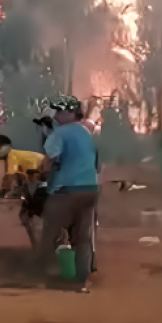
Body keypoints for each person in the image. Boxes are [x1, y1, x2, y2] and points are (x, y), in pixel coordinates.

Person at [38, 95, 101, 292]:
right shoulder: (86, 132)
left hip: (66, 190)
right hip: (90, 189)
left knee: (51, 231)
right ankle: (82, 280)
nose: (56, 115)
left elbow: (48, 161)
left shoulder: (61, 133)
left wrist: (42, 174)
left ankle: (44, 274)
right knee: (83, 236)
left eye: (59, 111)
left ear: (69, 113)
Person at [0, 134, 48, 250]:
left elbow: (8, 181)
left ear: (5, 147)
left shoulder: (11, 157)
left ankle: (40, 248)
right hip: (42, 179)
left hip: (42, 179)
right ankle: (40, 247)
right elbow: (19, 179)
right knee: (28, 215)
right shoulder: (16, 156)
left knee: (32, 217)